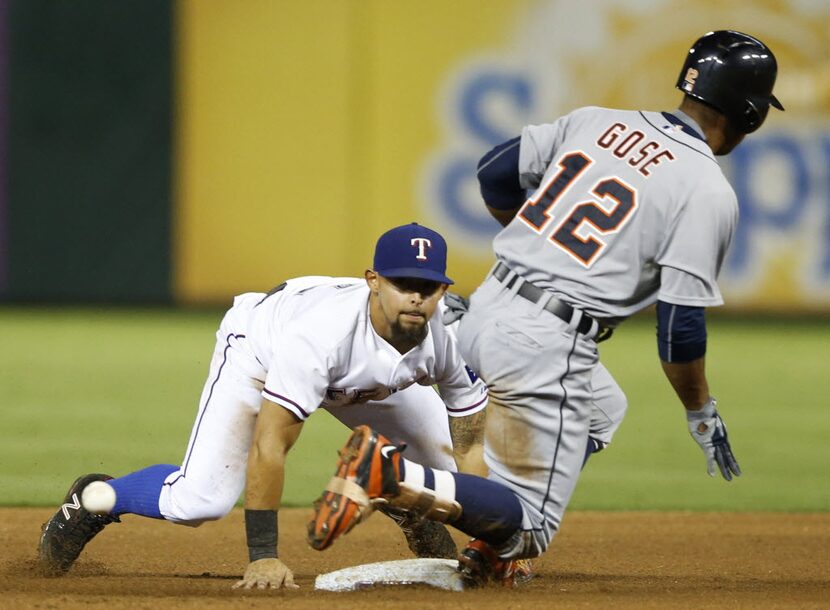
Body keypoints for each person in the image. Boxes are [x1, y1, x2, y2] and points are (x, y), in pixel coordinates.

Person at [305, 30, 783, 586]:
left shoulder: (597, 120)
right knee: (528, 529)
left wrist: (541, 250)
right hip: (546, 342)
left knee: (603, 408)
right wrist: (700, 412)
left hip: (487, 304)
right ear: (749, 113)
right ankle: (392, 475)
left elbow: (494, 172)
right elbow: (679, 330)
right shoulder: (706, 189)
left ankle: (484, 540)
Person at [38, 222, 489, 589]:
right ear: (373, 281)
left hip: (366, 378)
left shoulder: (449, 334)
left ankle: (404, 501)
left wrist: (490, 545)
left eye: (428, 287)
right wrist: (264, 557)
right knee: (199, 501)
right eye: (402, 283)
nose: (416, 296)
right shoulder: (318, 338)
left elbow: (471, 444)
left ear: (444, 291)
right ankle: (95, 498)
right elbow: (270, 445)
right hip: (261, 351)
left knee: (447, 465)